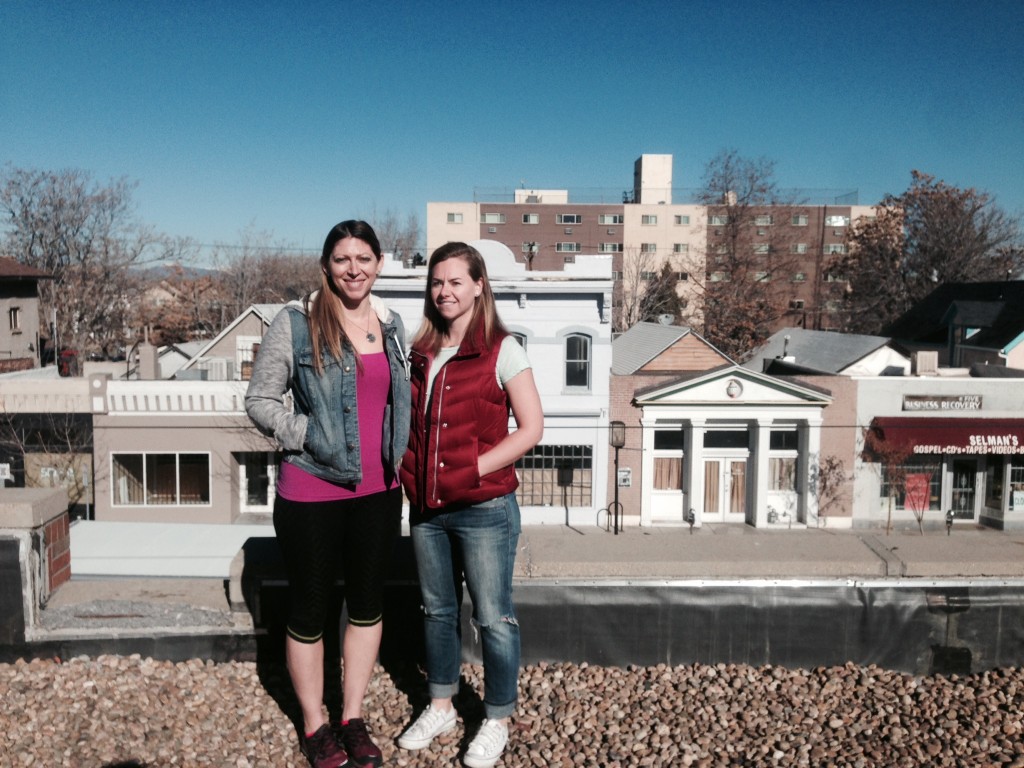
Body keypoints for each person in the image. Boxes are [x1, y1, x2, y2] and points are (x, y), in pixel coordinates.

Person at [245, 220, 411, 768]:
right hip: (312, 491)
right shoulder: (295, 324)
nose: (353, 268)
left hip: (379, 491)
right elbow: (261, 400)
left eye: (363, 257)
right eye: (342, 259)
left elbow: (393, 405)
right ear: (326, 266)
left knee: (366, 605)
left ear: (379, 263)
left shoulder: (392, 326)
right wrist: (308, 434)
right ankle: (316, 724)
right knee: (311, 609)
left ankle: (352, 717)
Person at [396, 242, 543, 768]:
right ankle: (441, 704)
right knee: (436, 610)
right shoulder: (420, 350)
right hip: (428, 509)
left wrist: (470, 469)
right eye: (437, 282)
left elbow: (531, 429)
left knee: (493, 617)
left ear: (479, 285)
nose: (445, 291)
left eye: (456, 281)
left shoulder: (503, 349)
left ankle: (497, 716)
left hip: (483, 507)